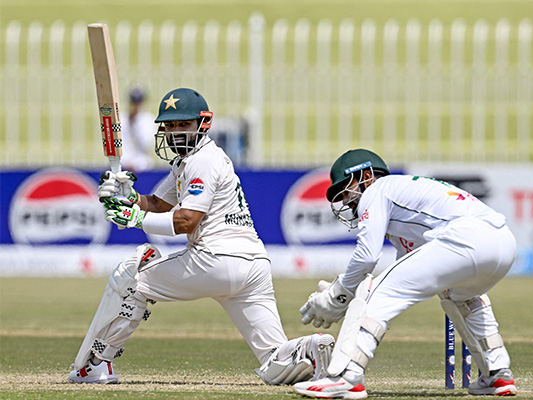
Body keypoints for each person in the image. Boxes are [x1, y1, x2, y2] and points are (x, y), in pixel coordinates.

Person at [69, 88, 334, 385]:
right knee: (274, 359)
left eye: (183, 124)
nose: (175, 132)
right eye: (170, 126)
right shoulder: (187, 160)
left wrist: (135, 219)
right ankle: (312, 347)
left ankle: (95, 364)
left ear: (203, 123)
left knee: (132, 280)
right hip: (254, 266)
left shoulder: (203, 160)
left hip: (214, 259)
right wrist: (128, 197)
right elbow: (157, 203)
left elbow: (186, 221)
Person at [292, 149, 518, 398]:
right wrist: (345, 295)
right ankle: (497, 372)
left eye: (346, 188)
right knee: (463, 298)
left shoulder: (378, 190)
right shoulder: (404, 203)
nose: (345, 200)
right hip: (503, 243)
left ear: (366, 175)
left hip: (466, 237)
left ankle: (347, 375)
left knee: (378, 292)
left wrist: (340, 294)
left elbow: (368, 256)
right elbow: (410, 270)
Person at [120, 85, 156, 172]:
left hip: (142, 165)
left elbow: (146, 143)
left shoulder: (148, 119)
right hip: (123, 164)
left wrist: (135, 122)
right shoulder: (121, 118)